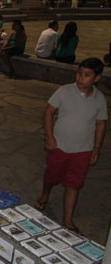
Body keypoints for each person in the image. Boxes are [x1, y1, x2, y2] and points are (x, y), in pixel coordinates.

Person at [35, 58, 107, 234]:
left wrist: (96, 148)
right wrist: (50, 136)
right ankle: (45, 194)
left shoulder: (99, 99)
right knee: (52, 176)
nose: (81, 78)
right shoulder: (64, 91)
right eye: (79, 73)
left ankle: (67, 220)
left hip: (83, 149)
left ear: (97, 78)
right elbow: (49, 112)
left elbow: (100, 124)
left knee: (74, 184)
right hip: (59, 146)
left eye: (87, 75)